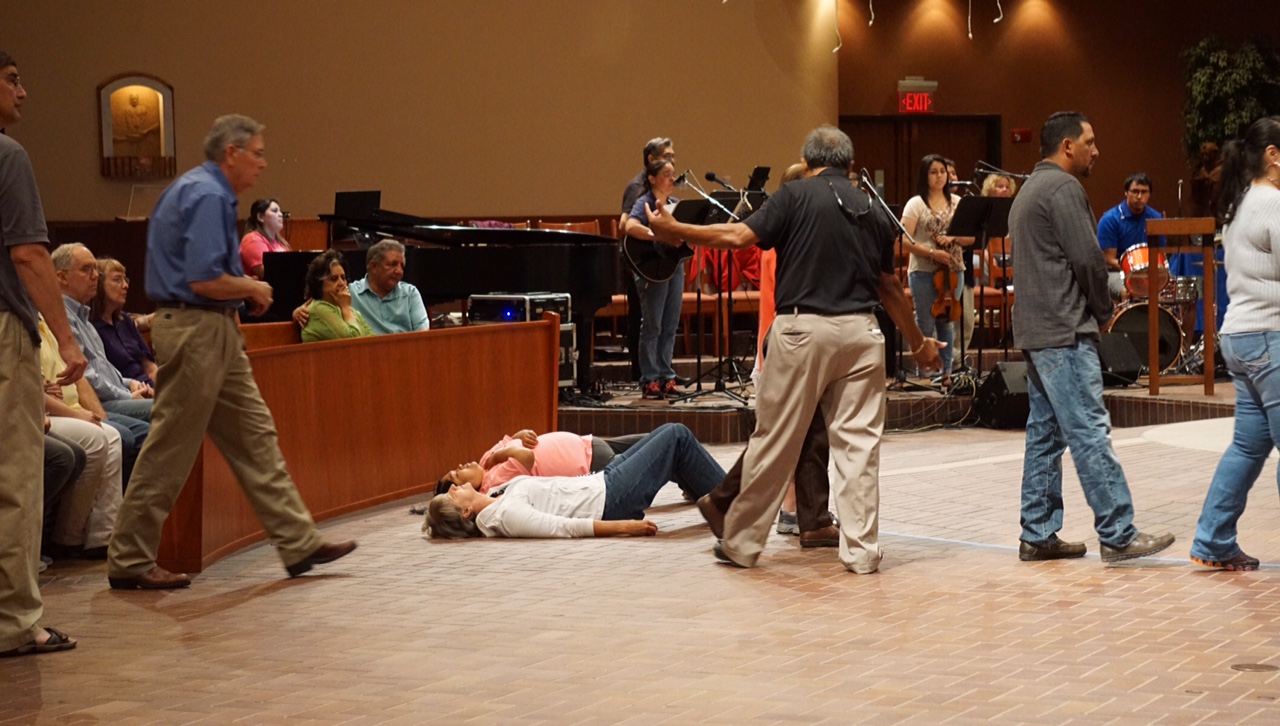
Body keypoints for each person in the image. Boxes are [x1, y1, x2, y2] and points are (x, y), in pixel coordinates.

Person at [645, 125, 943, 573]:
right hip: (862, 335)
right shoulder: (871, 206)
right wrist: (919, 346)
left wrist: (674, 228)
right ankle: (861, 553)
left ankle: (742, 543)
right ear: (850, 164)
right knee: (859, 448)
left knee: (776, 439)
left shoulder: (795, 195)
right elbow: (890, 287)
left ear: (807, 164)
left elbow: (737, 238)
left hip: (803, 329)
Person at [106, 114, 357, 590]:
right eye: (257, 153)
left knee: (255, 437)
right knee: (170, 447)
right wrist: (253, 287)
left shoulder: (200, 191)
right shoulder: (207, 195)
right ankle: (129, 557)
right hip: (196, 327)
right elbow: (204, 280)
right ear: (231, 154)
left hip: (211, 328)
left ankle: (298, 540)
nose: (262, 164)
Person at [1010, 111, 1175, 564]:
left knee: (1045, 434)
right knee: (1089, 430)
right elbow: (1086, 261)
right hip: (1065, 332)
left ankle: (1038, 532)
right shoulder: (1064, 189)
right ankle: (1118, 532)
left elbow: (1056, 266)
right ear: (1067, 146)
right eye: (1090, 142)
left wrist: (1119, 291)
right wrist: (1105, 313)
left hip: (1038, 331)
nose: (1097, 151)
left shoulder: (1028, 191)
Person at [0, 49, 88, 658]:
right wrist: (66, 335)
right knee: (14, 478)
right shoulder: (7, 156)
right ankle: (13, 622)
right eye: (12, 79)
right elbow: (30, 256)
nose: (24, 92)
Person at [1188, 116, 1280, 572]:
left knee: (1247, 447)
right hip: (1270, 337)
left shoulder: (1239, 204)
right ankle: (1212, 539)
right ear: (1273, 155)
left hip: (1239, 337)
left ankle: (1213, 539)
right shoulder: (1273, 204)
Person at [424, 423, 724, 539]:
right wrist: (625, 527)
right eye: (450, 495)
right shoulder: (504, 515)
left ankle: (726, 504)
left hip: (600, 482)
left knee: (668, 440)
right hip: (608, 500)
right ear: (465, 512)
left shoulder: (497, 496)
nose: (454, 487)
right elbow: (563, 528)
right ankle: (737, 504)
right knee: (676, 436)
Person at [40, 315, 124, 560]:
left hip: (62, 408)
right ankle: (66, 537)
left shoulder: (48, 323)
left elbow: (71, 379)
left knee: (113, 437)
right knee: (94, 439)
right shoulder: (18, 322)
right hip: (46, 412)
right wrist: (75, 414)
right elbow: (35, 388)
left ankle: (102, 536)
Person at [52, 243, 154, 421]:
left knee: (174, 404)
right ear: (62, 277)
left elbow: (108, 371)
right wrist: (129, 396)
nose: (94, 277)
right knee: (167, 409)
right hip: (98, 402)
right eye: (86, 270)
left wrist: (132, 383)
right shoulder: (62, 319)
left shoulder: (86, 321)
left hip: (123, 393)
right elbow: (89, 378)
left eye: (95, 270)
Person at [899, 154, 967, 387]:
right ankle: (925, 372)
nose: (940, 176)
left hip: (953, 270)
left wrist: (953, 237)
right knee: (925, 321)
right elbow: (903, 241)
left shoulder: (958, 202)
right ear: (924, 176)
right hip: (923, 270)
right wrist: (931, 252)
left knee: (947, 320)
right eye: (934, 172)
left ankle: (946, 372)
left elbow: (970, 238)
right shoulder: (915, 203)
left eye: (943, 172)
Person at [623, 158, 685, 399]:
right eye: (666, 175)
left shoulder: (677, 205)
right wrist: (657, 236)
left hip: (673, 268)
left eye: (673, 174)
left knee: (670, 325)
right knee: (653, 325)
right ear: (652, 178)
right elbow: (630, 226)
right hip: (652, 268)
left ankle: (666, 375)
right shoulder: (644, 202)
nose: (672, 179)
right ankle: (650, 379)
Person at [435, 429, 646, 495]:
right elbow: (526, 456)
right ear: (464, 488)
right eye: (456, 474)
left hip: (586, 443)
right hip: (591, 463)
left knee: (655, 438)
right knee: (656, 452)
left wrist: (522, 433)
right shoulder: (494, 484)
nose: (460, 466)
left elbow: (515, 439)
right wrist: (500, 455)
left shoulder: (484, 462)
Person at [293, 239, 428, 335]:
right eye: (392, 264)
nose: (399, 271)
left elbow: (423, 333)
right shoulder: (349, 292)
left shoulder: (410, 293)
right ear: (373, 266)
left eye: (402, 266)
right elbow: (316, 301)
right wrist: (297, 312)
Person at [91, 257, 157, 388]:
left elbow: (150, 367)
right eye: (117, 280)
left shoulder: (125, 320)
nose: (126, 286)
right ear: (99, 284)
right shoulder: (91, 326)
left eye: (125, 279)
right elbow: (104, 378)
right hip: (126, 391)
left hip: (149, 387)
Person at [1097, 173, 1164, 300]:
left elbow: (1160, 253)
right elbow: (1108, 259)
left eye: (1144, 192)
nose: (1139, 196)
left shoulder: (1156, 218)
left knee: (1169, 291)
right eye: (1135, 191)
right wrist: (1136, 270)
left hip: (1148, 272)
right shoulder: (1110, 219)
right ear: (1126, 193)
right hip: (1117, 272)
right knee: (1129, 291)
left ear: (1149, 194)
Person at [300, 249, 374, 342]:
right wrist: (346, 309)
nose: (342, 283)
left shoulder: (350, 311)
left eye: (343, 278)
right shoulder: (319, 309)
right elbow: (354, 343)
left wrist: (347, 309)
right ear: (319, 284)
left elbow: (373, 341)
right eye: (334, 279)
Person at [239, 198, 290, 280]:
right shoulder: (252, 240)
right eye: (274, 211)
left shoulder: (281, 242)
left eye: (280, 211)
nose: (280, 214)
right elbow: (266, 273)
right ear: (260, 217)